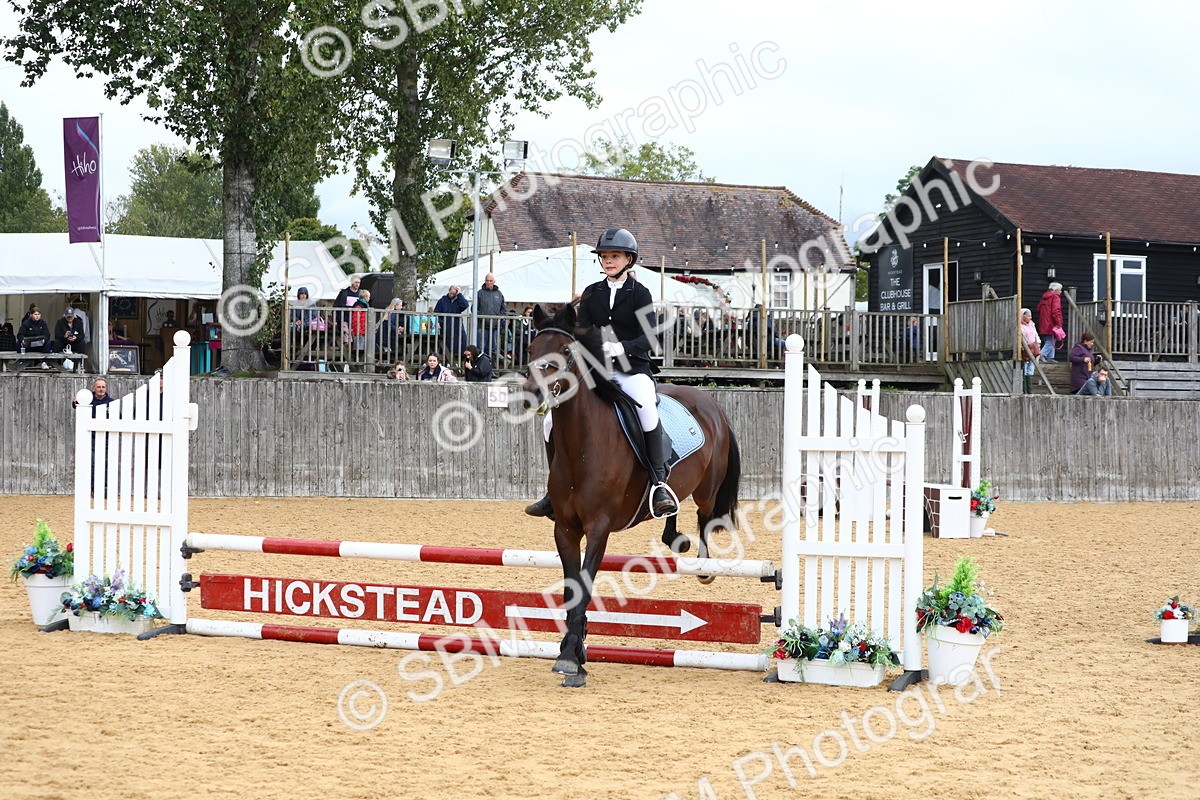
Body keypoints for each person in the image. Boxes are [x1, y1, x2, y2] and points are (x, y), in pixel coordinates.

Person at [526, 226, 678, 520]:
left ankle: (659, 484)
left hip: (633, 370)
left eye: (615, 256)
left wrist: (620, 348)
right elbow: (581, 332)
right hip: (597, 371)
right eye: (605, 257)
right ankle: (553, 491)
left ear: (628, 260)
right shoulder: (591, 293)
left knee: (646, 408)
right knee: (548, 423)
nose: (609, 261)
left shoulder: (640, 294)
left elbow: (649, 339)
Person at [476, 273, 506, 361]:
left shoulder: (499, 294)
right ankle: (482, 367)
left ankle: (495, 368)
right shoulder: (479, 293)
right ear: (485, 281)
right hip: (482, 325)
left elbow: (503, 309)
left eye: (490, 281)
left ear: (494, 282)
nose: (489, 282)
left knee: (495, 349)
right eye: (487, 281)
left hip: (495, 326)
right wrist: (481, 316)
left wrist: (500, 318)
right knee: (481, 349)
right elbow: (474, 308)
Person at [434, 285, 469, 355]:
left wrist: (459, 295)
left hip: (457, 327)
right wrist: (438, 322)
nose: (452, 295)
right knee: (445, 346)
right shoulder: (442, 301)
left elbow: (465, 305)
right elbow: (436, 313)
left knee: (461, 344)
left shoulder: (459, 301)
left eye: (454, 294)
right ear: (449, 291)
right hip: (445, 327)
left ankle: (460, 359)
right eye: (451, 293)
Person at [1035, 282, 1064, 361]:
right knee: (1051, 341)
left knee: (1050, 339)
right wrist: (1059, 323)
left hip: (1044, 322)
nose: (1061, 292)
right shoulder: (1055, 297)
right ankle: (1042, 354)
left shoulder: (1044, 297)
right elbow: (1056, 311)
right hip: (1051, 323)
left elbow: (1038, 308)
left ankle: (1050, 357)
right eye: (1060, 290)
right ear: (1056, 290)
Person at [1019, 307, 1040, 394]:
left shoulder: (1032, 325)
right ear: (1022, 316)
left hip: (1034, 349)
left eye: (1030, 316)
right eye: (1028, 316)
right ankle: (1025, 390)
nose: (1030, 318)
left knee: (1031, 369)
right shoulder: (1020, 327)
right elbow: (1022, 338)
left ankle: (1030, 390)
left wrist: (1038, 343)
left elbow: (1036, 335)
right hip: (1026, 350)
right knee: (1025, 369)